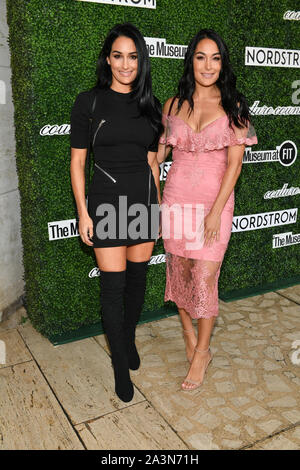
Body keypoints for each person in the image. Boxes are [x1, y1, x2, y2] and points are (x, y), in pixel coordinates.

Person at [157, 29, 257, 391]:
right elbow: (159, 156)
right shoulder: (172, 106)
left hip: (214, 204)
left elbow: (234, 165)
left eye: (215, 58)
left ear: (223, 63)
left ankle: (202, 352)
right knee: (180, 273)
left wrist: (215, 212)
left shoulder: (235, 107)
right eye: (201, 57)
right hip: (176, 200)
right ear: (191, 61)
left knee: (204, 279)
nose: (208, 65)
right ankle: (188, 334)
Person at [70, 23, 162, 402]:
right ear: (107, 59)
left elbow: (153, 162)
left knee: (137, 284)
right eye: (118, 55)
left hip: (143, 202)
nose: (126, 64)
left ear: (141, 60)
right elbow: (77, 163)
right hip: (106, 205)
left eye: (133, 56)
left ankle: (128, 339)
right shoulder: (88, 102)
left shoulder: (151, 106)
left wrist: (158, 208)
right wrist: (83, 213)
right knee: (113, 289)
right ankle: (120, 366)